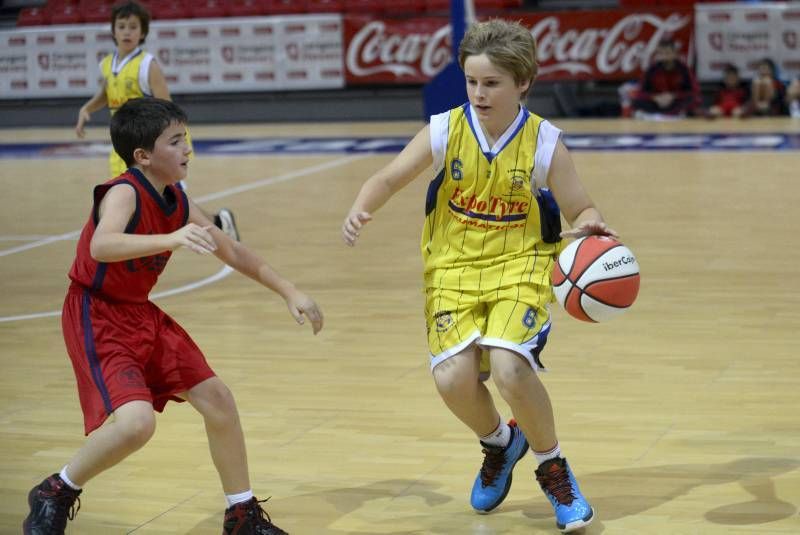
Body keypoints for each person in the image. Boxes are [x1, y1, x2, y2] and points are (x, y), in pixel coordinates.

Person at [342, 19, 617, 533]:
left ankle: (553, 468)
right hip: (451, 268)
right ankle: (499, 443)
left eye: (491, 83)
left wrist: (589, 227)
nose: (479, 93)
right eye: (472, 81)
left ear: (523, 84)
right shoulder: (445, 129)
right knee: (452, 380)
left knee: (512, 370)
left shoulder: (544, 142)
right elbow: (387, 177)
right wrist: (362, 206)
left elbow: (582, 206)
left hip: (522, 266)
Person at [23, 98, 323, 535]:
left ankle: (241, 516)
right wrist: (172, 237)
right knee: (137, 425)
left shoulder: (177, 199)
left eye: (186, 138)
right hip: (97, 313)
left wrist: (289, 290)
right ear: (143, 155)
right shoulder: (125, 191)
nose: (187, 149)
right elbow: (101, 246)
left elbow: (231, 250)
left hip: (139, 313)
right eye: (176, 141)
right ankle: (56, 489)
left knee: (218, 399)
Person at [74, 0, 240, 241]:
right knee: (125, 196)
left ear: (142, 32)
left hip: (154, 146)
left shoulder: (147, 65)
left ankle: (218, 225)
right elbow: (106, 93)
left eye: (133, 27)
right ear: (113, 31)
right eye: (121, 26)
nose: (127, 31)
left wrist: (176, 144)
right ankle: (129, 242)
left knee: (175, 201)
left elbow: (168, 108)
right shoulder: (107, 64)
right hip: (124, 146)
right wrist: (86, 109)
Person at [631, 38, 699, 118]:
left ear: (675, 54)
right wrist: (655, 97)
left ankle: (666, 115)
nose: (664, 56)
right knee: (637, 102)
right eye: (661, 54)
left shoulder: (684, 70)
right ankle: (664, 115)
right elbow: (641, 93)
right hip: (657, 102)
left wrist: (673, 96)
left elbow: (693, 92)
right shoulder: (651, 70)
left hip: (675, 102)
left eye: (667, 53)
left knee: (691, 100)